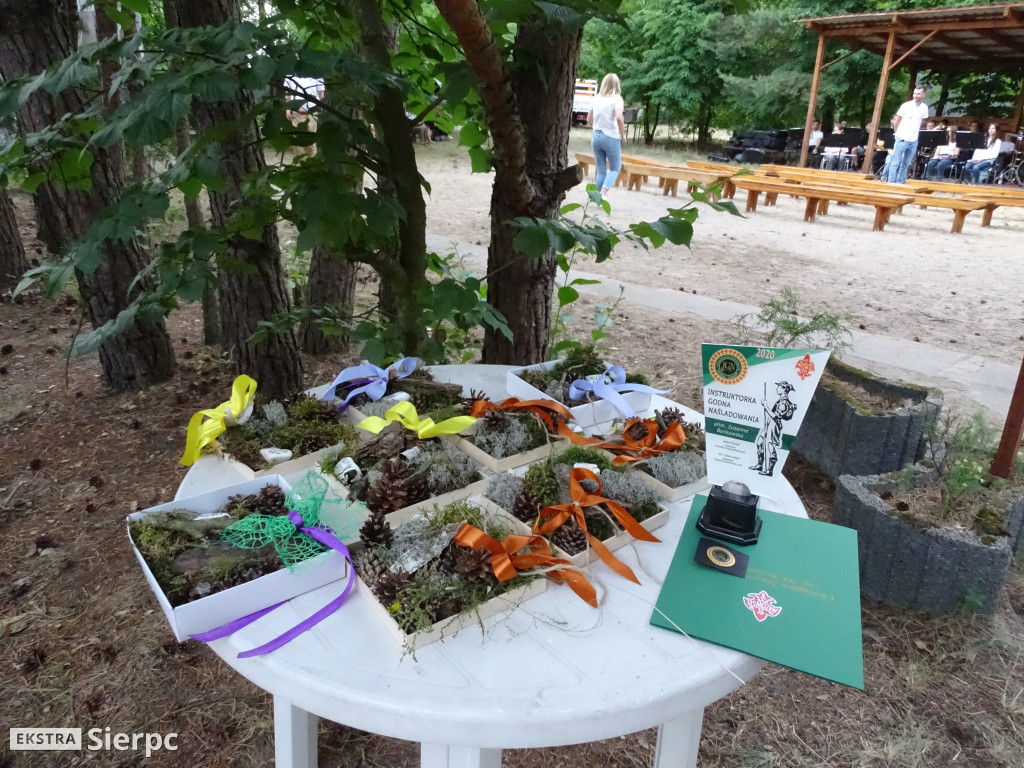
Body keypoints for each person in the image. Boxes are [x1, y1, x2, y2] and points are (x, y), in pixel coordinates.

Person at [587, 73, 626, 196]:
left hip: (596, 136)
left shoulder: (596, 98)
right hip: (610, 136)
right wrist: (623, 134)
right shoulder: (617, 98)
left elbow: (589, 120)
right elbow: (619, 117)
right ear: (617, 85)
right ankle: (603, 192)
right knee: (615, 168)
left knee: (601, 171)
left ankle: (595, 198)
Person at [750, 381, 798, 477]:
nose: (777, 389)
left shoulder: (783, 403)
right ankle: (760, 464)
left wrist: (765, 406)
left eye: (779, 387)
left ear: (784, 389)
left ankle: (769, 470)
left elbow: (776, 417)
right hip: (769, 424)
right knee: (760, 442)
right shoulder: (780, 401)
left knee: (770, 446)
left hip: (774, 425)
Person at [887, 86, 929, 183]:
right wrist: (897, 134)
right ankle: (891, 183)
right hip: (902, 137)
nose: (916, 96)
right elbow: (897, 120)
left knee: (906, 163)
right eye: (914, 93)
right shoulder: (906, 105)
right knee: (895, 162)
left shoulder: (924, 107)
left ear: (923, 95)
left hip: (913, 139)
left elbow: (922, 121)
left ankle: (900, 182)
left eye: (918, 94)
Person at [284, 75, 324, 158]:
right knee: (297, 141)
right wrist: (288, 108)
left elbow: (321, 95)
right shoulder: (290, 74)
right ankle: (299, 166)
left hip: (312, 114)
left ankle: (311, 163)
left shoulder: (317, 75)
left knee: (311, 140)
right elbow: (288, 92)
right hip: (296, 113)